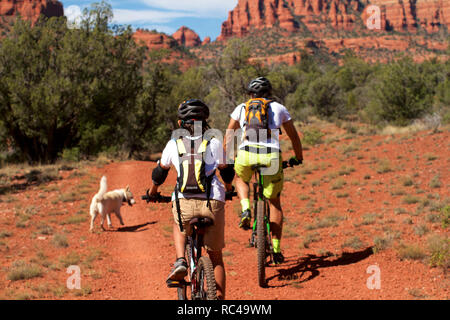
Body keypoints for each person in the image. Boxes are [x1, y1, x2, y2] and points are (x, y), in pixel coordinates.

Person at [148, 99, 234, 300]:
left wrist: (152, 192)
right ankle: (218, 300)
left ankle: (180, 261)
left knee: (179, 225)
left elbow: (160, 173)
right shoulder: (214, 141)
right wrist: (229, 189)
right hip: (212, 202)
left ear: (180, 123)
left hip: (184, 203)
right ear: (205, 121)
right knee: (216, 259)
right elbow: (226, 171)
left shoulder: (173, 143)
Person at [224, 77, 303, 264]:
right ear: (270, 93)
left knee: (241, 179)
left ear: (250, 94)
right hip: (271, 156)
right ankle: (276, 250)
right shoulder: (279, 108)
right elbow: (294, 137)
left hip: (246, 154)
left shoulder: (242, 108)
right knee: (274, 202)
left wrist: (226, 158)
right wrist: (298, 157)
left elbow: (229, 134)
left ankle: (245, 208)